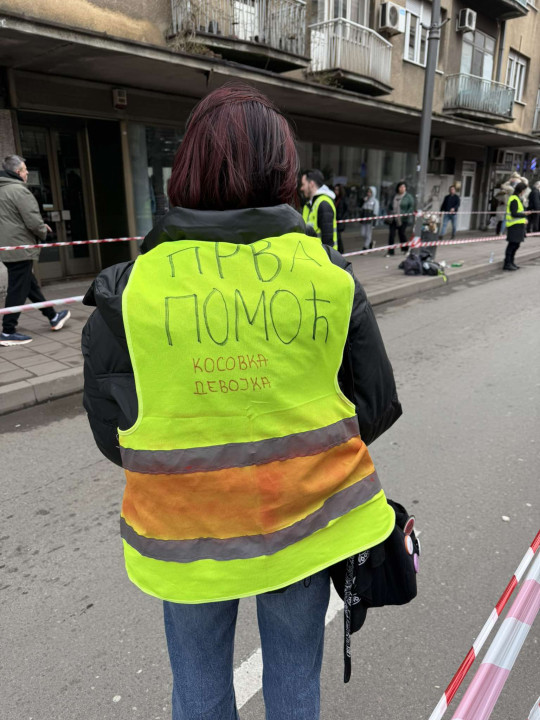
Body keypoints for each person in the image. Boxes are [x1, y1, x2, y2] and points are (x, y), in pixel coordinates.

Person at [82, 85, 402, 720]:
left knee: (199, 692)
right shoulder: (328, 276)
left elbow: (111, 431)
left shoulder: (132, 291)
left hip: (185, 532)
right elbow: (374, 404)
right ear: (284, 171)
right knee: (294, 683)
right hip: (303, 525)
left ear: (188, 168)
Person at [0, 155, 70, 346]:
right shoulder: (18, 190)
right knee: (18, 288)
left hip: (7, 246)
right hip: (20, 246)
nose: (27, 173)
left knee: (29, 284)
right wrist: (43, 231)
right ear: (17, 172)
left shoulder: (2, 189)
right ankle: (8, 330)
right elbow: (32, 219)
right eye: (25, 170)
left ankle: (52, 316)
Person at [300, 169, 338, 250]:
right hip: (312, 254)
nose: (301, 188)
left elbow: (328, 243)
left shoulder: (324, 204)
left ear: (311, 184)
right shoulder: (309, 205)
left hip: (320, 256)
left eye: (303, 184)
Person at [503, 181, 528, 271]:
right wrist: (524, 214)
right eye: (524, 190)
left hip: (518, 225)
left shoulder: (518, 199)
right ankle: (507, 263)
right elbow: (514, 213)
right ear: (521, 190)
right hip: (514, 226)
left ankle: (511, 262)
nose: (524, 192)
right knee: (512, 245)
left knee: (516, 245)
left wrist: (524, 218)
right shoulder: (514, 199)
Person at [385, 181, 414, 256]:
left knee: (402, 234)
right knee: (391, 235)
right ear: (398, 188)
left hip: (403, 219)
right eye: (401, 187)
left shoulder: (408, 197)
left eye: (404, 187)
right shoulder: (394, 196)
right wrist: (390, 213)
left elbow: (411, 207)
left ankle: (405, 249)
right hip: (393, 218)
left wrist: (406, 214)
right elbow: (390, 206)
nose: (402, 188)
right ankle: (390, 251)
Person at [360, 186, 380, 250]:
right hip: (364, 219)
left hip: (370, 220)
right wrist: (363, 201)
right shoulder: (365, 200)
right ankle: (370, 243)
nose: (368, 193)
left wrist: (374, 222)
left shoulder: (375, 201)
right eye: (368, 192)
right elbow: (360, 207)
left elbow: (375, 212)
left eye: (370, 192)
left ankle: (365, 247)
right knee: (363, 233)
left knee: (368, 234)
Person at [333, 183, 348, 253]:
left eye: (337, 190)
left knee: (338, 236)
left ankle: (341, 251)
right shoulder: (334, 199)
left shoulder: (343, 199)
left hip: (340, 221)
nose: (335, 191)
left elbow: (346, 210)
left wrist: (342, 219)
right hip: (335, 220)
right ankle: (340, 251)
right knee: (337, 236)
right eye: (335, 189)